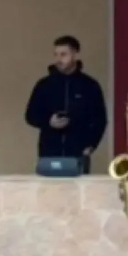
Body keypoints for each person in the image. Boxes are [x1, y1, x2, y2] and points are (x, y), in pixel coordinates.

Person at [25, 35, 107, 171]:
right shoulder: (44, 85)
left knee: (78, 185)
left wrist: (91, 145)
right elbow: (30, 115)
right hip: (49, 153)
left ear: (75, 54)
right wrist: (49, 121)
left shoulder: (89, 86)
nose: (58, 59)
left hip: (78, 153)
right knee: (48, 185)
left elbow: (99, 119)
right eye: (56, 54)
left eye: (63, 54)